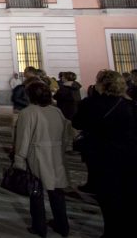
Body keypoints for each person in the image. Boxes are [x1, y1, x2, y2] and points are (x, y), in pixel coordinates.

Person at [73, 70, 137, 237]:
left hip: (102, 157)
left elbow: (77, 122)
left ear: (101, 84)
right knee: (128, 194)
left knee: (108, 197)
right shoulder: (130, 105)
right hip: (129, 157)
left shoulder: (90, 103)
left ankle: (112, 231)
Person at [14, 80, 70, 238]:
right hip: (56, 154)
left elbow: (23, 139)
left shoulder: (28, 112)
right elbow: (65, 133)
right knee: (57, 192)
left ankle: (39, 227)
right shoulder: (56, 111)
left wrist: (19, 159)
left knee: (36, 193)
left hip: (37, 156)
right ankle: (62, 225)